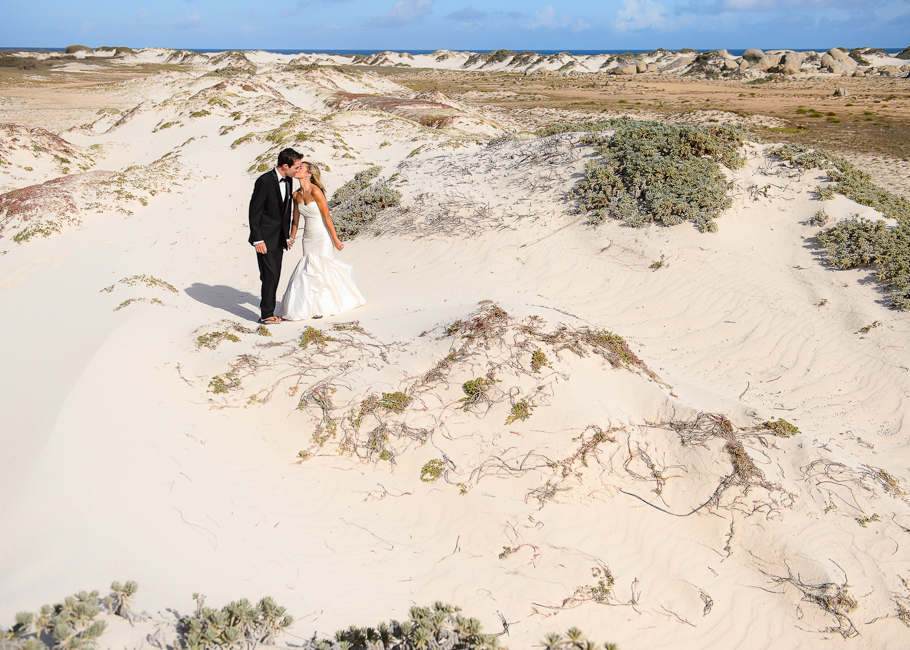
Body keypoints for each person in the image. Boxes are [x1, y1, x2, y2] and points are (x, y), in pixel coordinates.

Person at [277, 162, 365, 321]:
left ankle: (321, 307)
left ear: (308, 174)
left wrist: (335, 239)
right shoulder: (296, 195)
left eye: (300, 168)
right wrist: (290, 237)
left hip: (322, 236)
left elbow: (327, 217)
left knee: (322, 269)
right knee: (309, 271)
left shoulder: (316, 191)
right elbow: (295, 221)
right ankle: (310, 306)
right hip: (308, 238)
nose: (297, 170)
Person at [248, 148, 303, 324]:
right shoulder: (264, 181)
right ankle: (266, 314)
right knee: (270, 275)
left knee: (273, 274)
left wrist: (286, 236)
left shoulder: (288, 180)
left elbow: (284, 212)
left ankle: (268, 309)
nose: (298, 170)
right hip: (264, 238)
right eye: (296, 167)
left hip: (278, 238)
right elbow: (254, 212)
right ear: (285, 165)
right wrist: (257, 239)